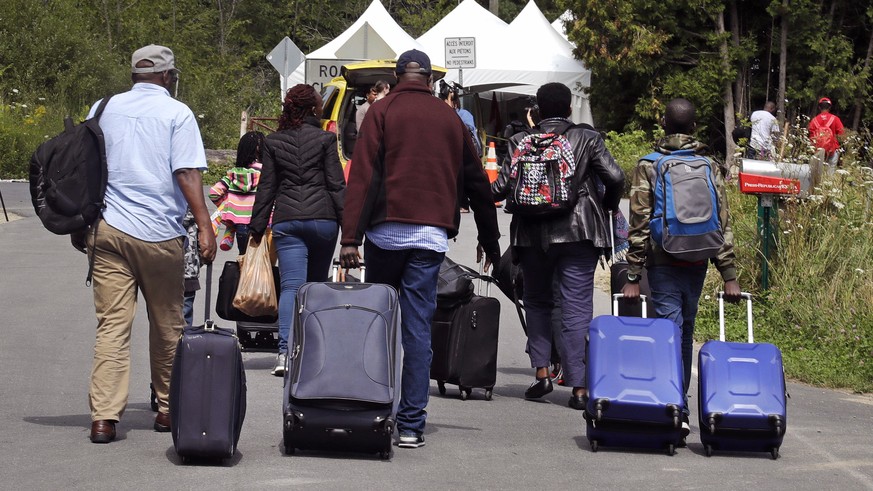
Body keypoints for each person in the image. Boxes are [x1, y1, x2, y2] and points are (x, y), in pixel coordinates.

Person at [338, 49, 501, 449]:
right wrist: (490, 239)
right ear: (430, 80)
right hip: (429, 239)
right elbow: (478, 182)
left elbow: (363, 176)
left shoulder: (381, 111)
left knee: (380, 325)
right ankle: (410, 424)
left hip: (384, 237)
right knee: (417, 329)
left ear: (396, 77)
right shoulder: (450, 118)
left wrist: (349, 238)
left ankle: (376, 411)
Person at [82, 44, 216, 444]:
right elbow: (187, 172)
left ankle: (104, 419)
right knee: (167, 326)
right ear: (168, 76)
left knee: (112, 327)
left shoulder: (102, 108)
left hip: (106, 232)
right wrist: (206, 227)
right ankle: (166, 409)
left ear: (134, 74)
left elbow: (86, 167)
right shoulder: (177, 112)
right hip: (159, 235)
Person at [491, 82, 625, 411]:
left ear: (535, 112)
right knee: (577, 307)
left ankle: (541, 373)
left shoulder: (520, 141)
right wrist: (608, 206)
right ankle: (579, 386)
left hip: (531, 236)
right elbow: (616, 177)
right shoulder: (587, 138)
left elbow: (501, 188)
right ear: (568, 110)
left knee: (537, 301)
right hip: (579, 234)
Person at [622, 97, 742, 440]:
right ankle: (679, 406)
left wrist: (633, 275)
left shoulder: (649, 165)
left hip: (664, 260)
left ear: (663, 125)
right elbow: (722, 222)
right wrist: (728, 273)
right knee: (684, 331)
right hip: (698, 258)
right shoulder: (709, 165)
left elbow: (640, 223)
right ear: (693, 128)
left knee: (669, 331)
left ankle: (675, 407)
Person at [249, 84, 345, 377]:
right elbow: (336, 185)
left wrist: (256, 227)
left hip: (288, 221)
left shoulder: (274, 142)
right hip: (323, 221)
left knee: (291, 287)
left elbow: (267, 187)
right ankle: (312, 353)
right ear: (313, 109)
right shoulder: (326, 140)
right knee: (315, 287)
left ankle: (284, 354)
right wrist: (352, 231)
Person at [209, 131, 266, 254]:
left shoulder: (234, 174)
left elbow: (214, 192)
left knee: (244, 260)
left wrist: (230, 205)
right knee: (260, 265)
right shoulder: (266, 173)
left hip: (240, 227)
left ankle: (229, 236)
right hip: (261, 225)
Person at [808, 97, 845, 166]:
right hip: (832, 150)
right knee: (830, 173)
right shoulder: (835, 119)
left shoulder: (814, 121)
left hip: (818, 151)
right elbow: (842, 134)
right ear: (829, 107)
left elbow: (811, 137)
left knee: (817, 173)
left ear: (819, 107)